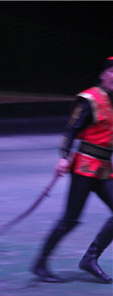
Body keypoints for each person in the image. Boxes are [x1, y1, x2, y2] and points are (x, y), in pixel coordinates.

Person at [32, 57, 113, 283]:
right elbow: (70, 131)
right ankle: (40, 264)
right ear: (104, 74)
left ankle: (90, 258)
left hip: (105, 167)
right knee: (70, 219)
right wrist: (64, 158)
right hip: (85, 166)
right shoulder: (90, 99)